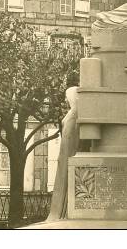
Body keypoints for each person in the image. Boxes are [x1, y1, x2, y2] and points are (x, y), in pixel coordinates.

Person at [47, 86, 79, 221]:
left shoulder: (75, 114)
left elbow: (72, 136)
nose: (66, 100)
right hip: (65, 151)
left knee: (65, 176)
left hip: (68, 151)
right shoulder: (72, 113)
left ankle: (62, 210)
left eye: (67, 97)